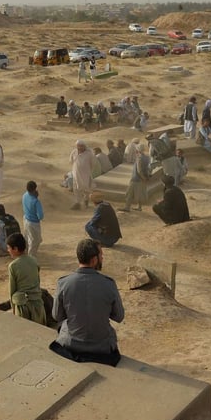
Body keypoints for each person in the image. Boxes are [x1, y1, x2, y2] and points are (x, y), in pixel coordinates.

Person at [50, 239, 125, 367]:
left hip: (71, 344)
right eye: (101, 255)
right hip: (102, 347)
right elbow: (119, 316)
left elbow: (57, 316)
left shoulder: (63, 283)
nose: (103, 257)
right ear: (94, 260)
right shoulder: (108, 284)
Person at [124, 144, 150, 212]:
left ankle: (127, 207)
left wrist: (143, 177)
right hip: (143, 178)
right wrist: (146, 177)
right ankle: (139, 207)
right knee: (140, 193)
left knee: (129, 193)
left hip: (136, 178)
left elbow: (139, 170)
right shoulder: (147, 158)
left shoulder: (139, 158)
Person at [21, 180, 44, 257]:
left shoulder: (24, 195)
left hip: (26, 219)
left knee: (27, 238)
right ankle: (31, 258)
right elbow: (40, 216)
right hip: (33, 223)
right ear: (35, 189)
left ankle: (25, 253)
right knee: (35, 241)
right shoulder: (35, 201)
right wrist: (36, 198)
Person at [69, 140, 95, 209]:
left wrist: (87, 170)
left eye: (81, 146)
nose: (80, 148)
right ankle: (78, 203)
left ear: (84, 147)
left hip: (85, 174)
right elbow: (71, 161)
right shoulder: (74, 152)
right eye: (78, 146)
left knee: (86, 188)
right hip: (76, 174)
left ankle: (86, 200)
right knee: (76, 188)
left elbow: (92, 164)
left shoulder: (89, 154)